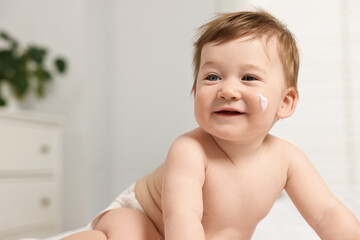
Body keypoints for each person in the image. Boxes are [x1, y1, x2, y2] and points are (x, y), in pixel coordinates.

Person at [62, 9, 360, 240]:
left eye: (248, 78)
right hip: (143, 219)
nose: (227, 90)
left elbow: (326, 213)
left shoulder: (287, 159)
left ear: (285, 102)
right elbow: (183, 215)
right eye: (212, 77)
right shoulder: (190, 149)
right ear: (195, 92)